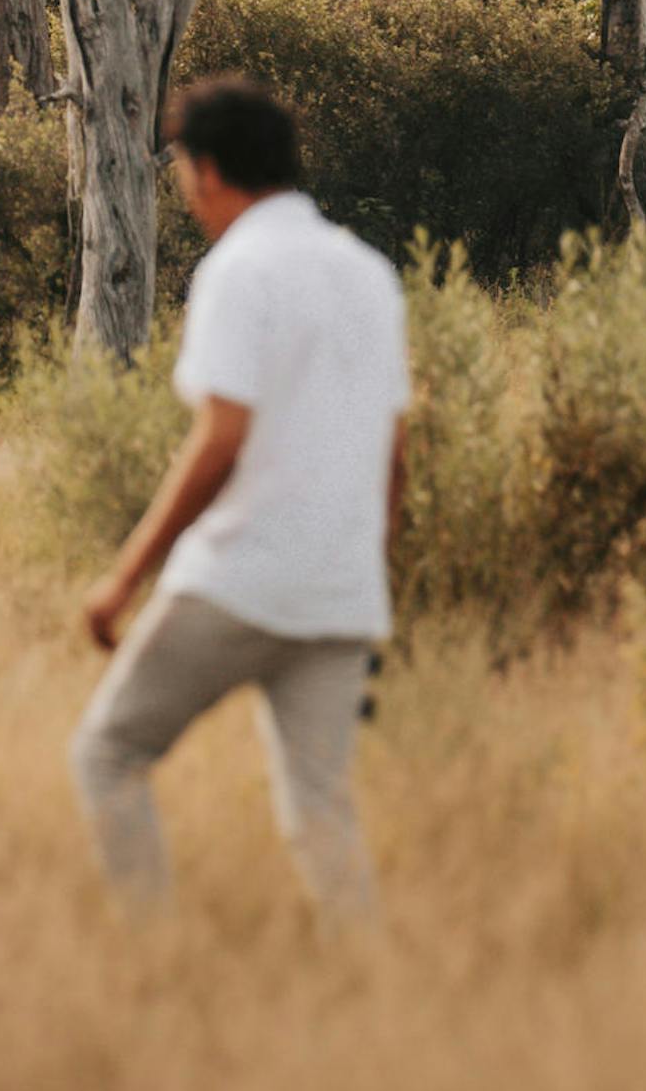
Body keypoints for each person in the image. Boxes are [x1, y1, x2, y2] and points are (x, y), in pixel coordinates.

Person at [69, 78, 410, 917]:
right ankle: (374, 994)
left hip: (242, 581)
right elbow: (395, 452)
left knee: (108, 755)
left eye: (183, 170)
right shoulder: (369, 273)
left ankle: (154, 960)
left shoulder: (237, 269)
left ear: (210, 171)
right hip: (341, 594)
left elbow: (220, 440)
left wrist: (125, 575)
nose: (184, 192)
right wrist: (366, 570)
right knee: (321, 815)